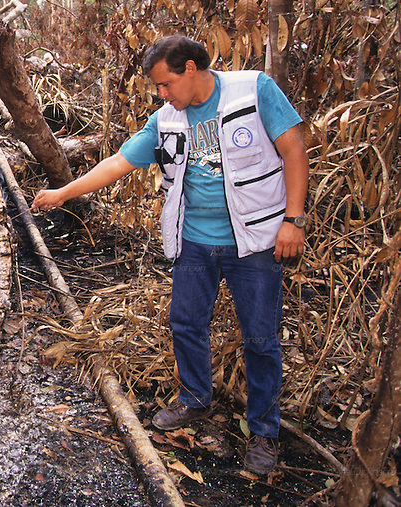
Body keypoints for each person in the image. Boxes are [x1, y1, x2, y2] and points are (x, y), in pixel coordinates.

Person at [32, 35, 308, 475]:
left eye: (165, 84)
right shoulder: (166, 120)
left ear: (192, 69)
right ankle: (195, 399)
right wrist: (65, 192)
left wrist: (294, 219)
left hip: (255, 242)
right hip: (195, 241)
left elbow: (294, 147)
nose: (161, 94)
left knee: (260, 337)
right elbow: (120, 162)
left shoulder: (253, 89)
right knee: (186, 322)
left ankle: (264, 431)